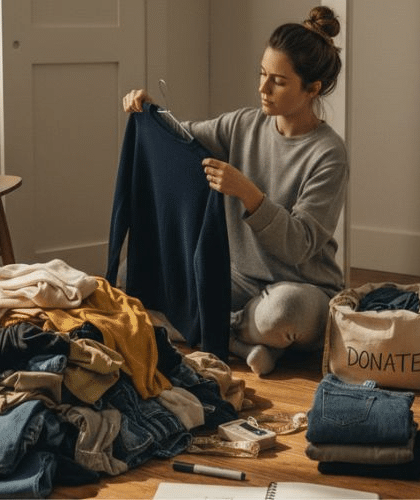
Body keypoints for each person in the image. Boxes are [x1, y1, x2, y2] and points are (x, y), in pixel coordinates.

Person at [122, 6, 347, 375]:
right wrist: (149, 112)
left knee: (284, 313)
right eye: (262, 73)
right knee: (130, 276)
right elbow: (184, 137)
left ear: (313, 89)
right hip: (238, 280)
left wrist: (249, 194)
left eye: (278, 80)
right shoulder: (245, 124)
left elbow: (299, 244)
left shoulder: (329, 154)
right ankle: (244, 343)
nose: (262, 88)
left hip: (301, 287)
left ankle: (213, 331)